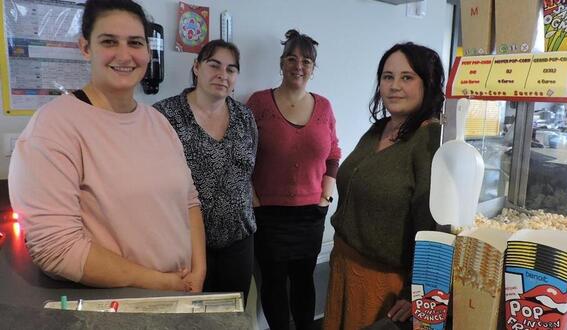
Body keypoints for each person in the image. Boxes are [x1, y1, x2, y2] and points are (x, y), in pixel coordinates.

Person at [8, 0, 205, 292]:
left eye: (135, 42)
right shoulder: (54, 127)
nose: (124, 55)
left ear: (148, 51)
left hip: (177, 293)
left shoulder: (158, 122)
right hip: (112, 305)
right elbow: (56, 248)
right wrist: (159, 282)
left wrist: (198, 271)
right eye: (109, 41)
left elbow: (189, 202)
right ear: (86, 47)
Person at [324, 42, 446, 329]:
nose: (394, 86)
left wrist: (415, 292)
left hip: (383, 285)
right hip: (344, 266)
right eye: (387, 77)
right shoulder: (379, 129)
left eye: (407, 77)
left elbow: (430, 224)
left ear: (428, 84)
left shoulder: (429, 141)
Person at [247, 29, 341, 330]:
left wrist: (325, 199)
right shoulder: (259, 103)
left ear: (313, 68)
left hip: (310, 215)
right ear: (281, 63)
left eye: (306, 61)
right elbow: (242, 155)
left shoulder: (324, 106)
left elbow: (333, 154)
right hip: (269, 214)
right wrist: (255, 200)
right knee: (273, 283)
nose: (298, 65)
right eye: (291, 58)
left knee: (304, 282)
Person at [153, 40, 257, 303]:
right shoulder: (165, 116)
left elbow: (249, 172)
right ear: (197, 67)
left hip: (238, 242)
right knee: (189, 317)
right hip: (184, 247)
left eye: (231, 69)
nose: (223, 75)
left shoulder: (245, 117)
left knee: (232, 314)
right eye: (214, 65)